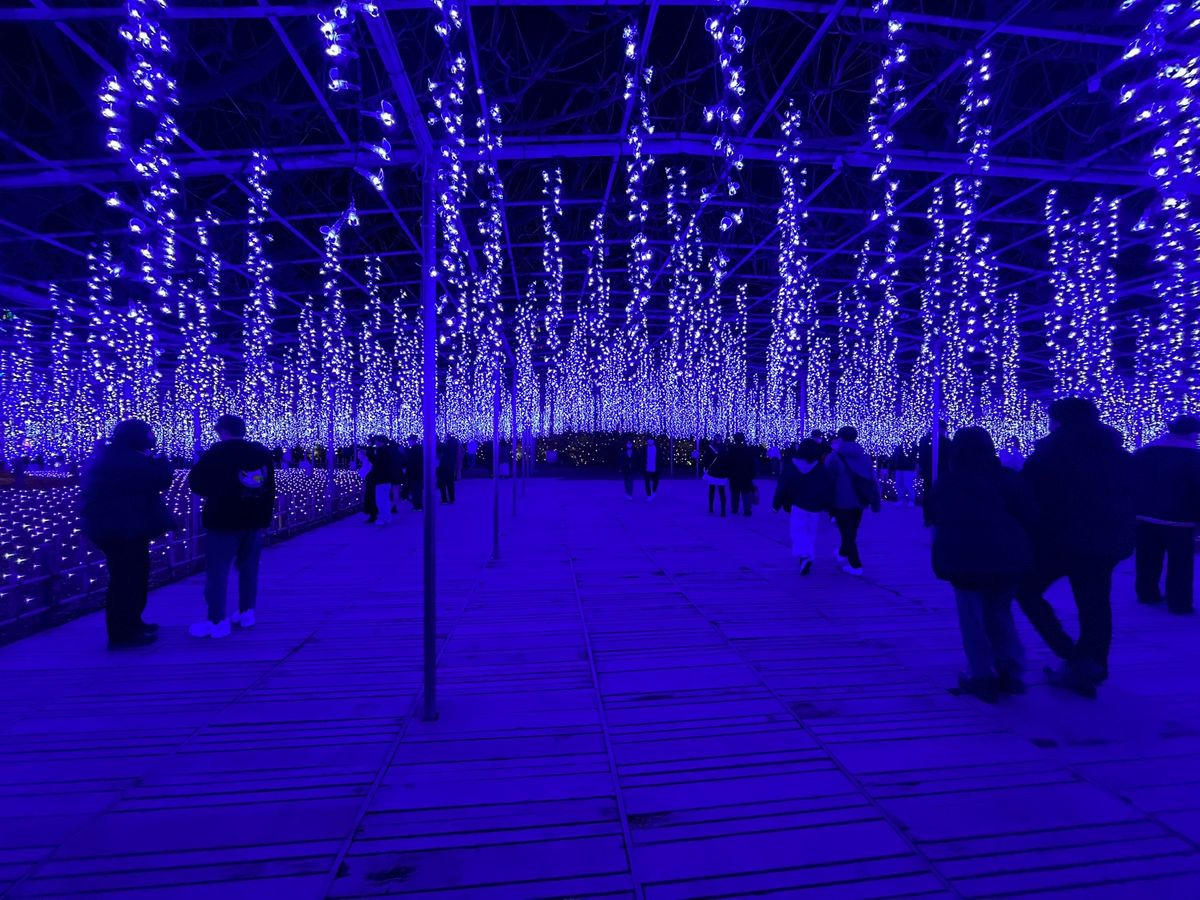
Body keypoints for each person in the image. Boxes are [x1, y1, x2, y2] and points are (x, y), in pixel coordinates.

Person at [1016, 397, 1136, 698]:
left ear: (1058, 421)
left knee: (1026, 590)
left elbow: (1027, 499)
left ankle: (1070, 654)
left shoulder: (1048, 453)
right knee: (1095, 604)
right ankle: (1092, 664)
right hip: (1105, 543)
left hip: (1058, 542)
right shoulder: (1118, 454)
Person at [930, 427, 1035, 703]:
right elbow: (1029, 515)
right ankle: (1011, 668)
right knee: (1000, 612)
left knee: (972, 617)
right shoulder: (1008, 479)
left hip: (964, 560)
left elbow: (936, 521)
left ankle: (981, 675)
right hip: (1007, 559)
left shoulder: (947, 483)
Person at [80, 419, 175, 649]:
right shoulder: (128, 461)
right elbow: (160, 481)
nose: (153, 437)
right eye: (149, 432)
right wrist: (162, 463)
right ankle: (122, 632)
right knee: (127, 579)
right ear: (137, 436)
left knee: (133, 575)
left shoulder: (113, 456)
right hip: (123, 529)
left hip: (120, 526)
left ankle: (132, 623)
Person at [187, 414, 276, 638]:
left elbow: (196, 483)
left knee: (218, 572)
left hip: (223, 519)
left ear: (223, 431)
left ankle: (217, 621)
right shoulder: (261, 453)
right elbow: (268, 486)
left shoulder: (215, 453)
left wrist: (219, 492)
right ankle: (247, 613)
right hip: (254, 519)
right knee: (249, 568)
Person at [1134, 415, 1200, 614]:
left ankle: (1147, 593)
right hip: (1180, 518)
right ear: (1192, 433)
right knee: (1180, 562)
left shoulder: (1146, 452)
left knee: (1147, 557)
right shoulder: (1194, 457)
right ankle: (1179, 603)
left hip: (1144, 514)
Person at [826, 426, 881, 576]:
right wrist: (876, 501)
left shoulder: (835, 457)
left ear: (840, 438)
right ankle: (843, 553)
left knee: (847, 532)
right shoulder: (864, 457)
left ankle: (856, 565)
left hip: (840, 501)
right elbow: (872, 479)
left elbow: (827, 480)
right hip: (860, 500)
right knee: (851, 531)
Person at [772, 439, 833, 574]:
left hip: (798, 505)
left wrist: (776, 504)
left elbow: (782, 486)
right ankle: (808, 556)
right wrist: (829, 508)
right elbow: (827, 488)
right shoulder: (820, 468)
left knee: (798, 532)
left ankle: (803, 556)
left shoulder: (792, 466)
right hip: (814, 507)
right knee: (810, 533)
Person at [919, 422, 951, 526]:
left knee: (929, 494)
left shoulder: (925, 440)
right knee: (936, 494)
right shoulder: (946, 442)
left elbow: (921, 458)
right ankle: (933, 517)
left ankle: (929, 517)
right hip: (940, 472)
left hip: (932, 472)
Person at [729, 432, 757, 517]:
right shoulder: (747, 450)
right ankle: (747, 510)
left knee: (735, 493)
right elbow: (752, 463)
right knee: (746, 493)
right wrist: (752, 474)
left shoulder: (731, 449)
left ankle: (734, 509)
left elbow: (728, 463)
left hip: (734, 475)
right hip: (746, 475)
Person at [702, 435, 728, 516]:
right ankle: (723, 510)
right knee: (722, 492)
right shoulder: (724, 448)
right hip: (721, 472)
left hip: (712, 472)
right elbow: (727, 460)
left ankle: (711, 508)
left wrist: (706, 467)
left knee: (712, 491)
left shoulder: (710, 447)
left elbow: (705, 459)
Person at [402, 436, 423, 509]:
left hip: (414, 472)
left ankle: (417, 505)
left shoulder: (413, 450)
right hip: (418, 471)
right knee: (417, 488)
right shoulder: (419, 448)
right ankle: (417, 504)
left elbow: (410, 462)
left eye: (409, 441)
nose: (409, 443)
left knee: (416, 489)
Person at [438, 435, 459, 504]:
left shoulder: (446, 446)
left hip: (443, 467)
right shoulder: (455, 445)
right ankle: (452, 499)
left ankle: (444, 499)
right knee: (450, 483)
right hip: (451, 467)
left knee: (443, 484)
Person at [643, 436, 661, 500]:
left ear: (653, 441)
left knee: (656, 482)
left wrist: (660, 465)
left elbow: (660, 457)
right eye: (649, 440)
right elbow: (642, 458)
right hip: (647, 468)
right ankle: (648, 495)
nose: (650, 441)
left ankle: (653, 491)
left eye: (651, 440)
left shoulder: (657, 448)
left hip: (655, 468)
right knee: (647, 482)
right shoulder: (644, 448)